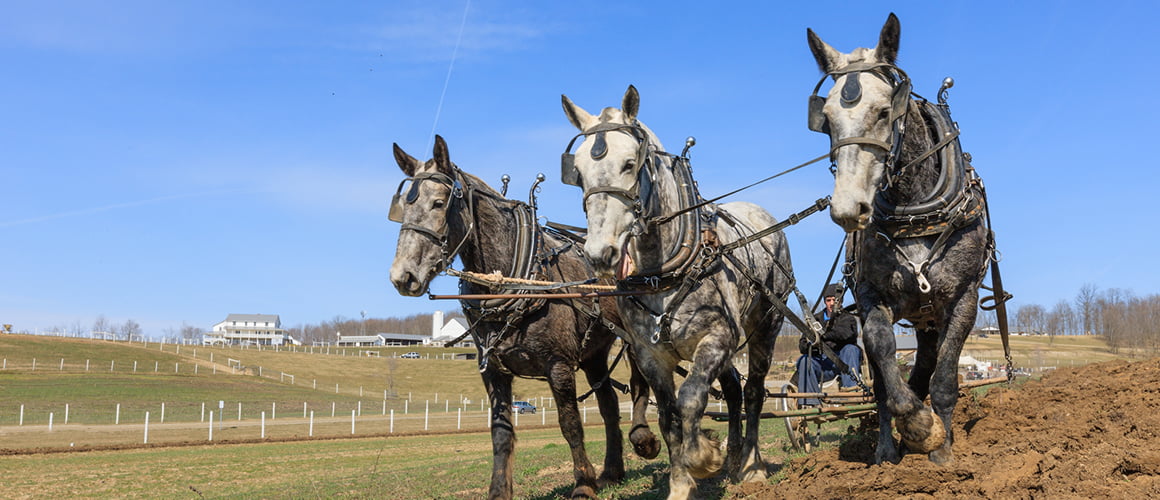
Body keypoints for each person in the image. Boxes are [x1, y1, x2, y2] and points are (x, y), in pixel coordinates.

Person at [795, 283, 862, 405]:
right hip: (823, 365)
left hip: (844, 363)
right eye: (828, 300)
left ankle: (852, 394)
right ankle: (810, 401)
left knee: (850, 349)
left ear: (840, 301)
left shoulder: (848, 318)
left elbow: (846, 334)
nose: (832, 303)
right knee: (804, 360)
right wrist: (812, 347)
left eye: (835, 300)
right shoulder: (815, 320)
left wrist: (822, 336)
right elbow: (802, 345)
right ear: (825, 301)